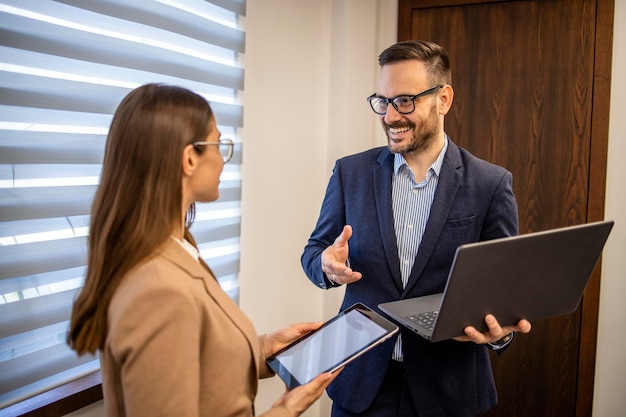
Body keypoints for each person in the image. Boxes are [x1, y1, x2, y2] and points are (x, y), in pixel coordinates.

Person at [68, 83, 339, 417]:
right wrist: (284, 410)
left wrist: (263, 348)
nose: (224, 157)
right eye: (218, 143)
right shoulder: (156, 288)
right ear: (189, 158)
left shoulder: (174, 246)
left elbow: (190, 352)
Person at [301, 40, 532, 417]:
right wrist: (325, 266)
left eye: (405, 101)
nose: (390, 117)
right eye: (383, 101)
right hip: (360, 384)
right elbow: (314, 253)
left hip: (449, 391)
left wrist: (500, 333)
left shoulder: (490, 184)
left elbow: (504, 290)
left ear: (443, 100)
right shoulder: (350, 173)